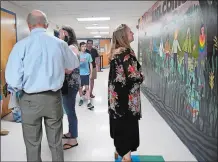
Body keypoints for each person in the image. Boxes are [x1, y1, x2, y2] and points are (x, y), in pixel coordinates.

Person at [5, 10, 79, 162]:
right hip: (53, 99)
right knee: (56, 142)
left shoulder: (21, 46)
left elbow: (12, 79)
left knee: (32, 143)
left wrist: (22, 87)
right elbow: (74, 63)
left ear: (28, 25)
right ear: (47, 25)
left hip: (29, 100)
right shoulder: (60, 44)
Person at [108, 24, 144, 162]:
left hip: (116, 100)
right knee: (128, 128)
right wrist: (142, 76)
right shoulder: (127, 54)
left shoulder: (116, 53)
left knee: (119, 125)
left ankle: (119, 150)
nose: (133, 33)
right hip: (127, 101)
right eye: (130, 32)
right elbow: (134, 76)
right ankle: (126, 156)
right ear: (123, 36)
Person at [58, 25, 80, 150]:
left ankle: (73, 139)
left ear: (66, 34)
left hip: (70, 84)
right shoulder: (72, 47)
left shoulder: (71, 47)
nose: (58, 37)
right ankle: (71, 133)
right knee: (69, 109)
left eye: (60, 34)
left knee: (70, 111)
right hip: (71, 84)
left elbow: (69, 70)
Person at [78, 42, 94, 110]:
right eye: (82, 46)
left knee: (87, 88)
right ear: (80, 47)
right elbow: (74, 64)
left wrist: (91, 73)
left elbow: (90, 64)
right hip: (79, 74)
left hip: (86, 74)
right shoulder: (77, 55)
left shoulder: (88, 55)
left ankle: (88, 102)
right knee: (80, 88)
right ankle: (81, 98)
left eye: (85, 46)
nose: (84, 48)